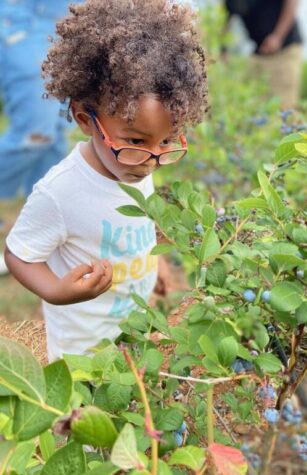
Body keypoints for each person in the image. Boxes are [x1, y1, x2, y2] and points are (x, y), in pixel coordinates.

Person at [4, 0, 208, 362]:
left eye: (166, 141)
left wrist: (153, 262)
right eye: (135, 141)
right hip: (81, 354)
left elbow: (139, 220)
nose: (151, 161)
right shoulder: (60, 192)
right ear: (85, 120)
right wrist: (55, 291)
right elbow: (19, 255)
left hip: (131, 332)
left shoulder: (135, 165)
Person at [0, 1, 81, 275]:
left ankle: (37, 241)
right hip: (29, 18)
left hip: (73, 19)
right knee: (36, 134)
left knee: (57, 137)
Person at [223, 0, 303, 109]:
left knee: (285, 108)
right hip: (259, 52)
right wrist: (222, 51)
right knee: (253, 106)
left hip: (284, 51)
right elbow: (224, 22)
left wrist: (278, 36)